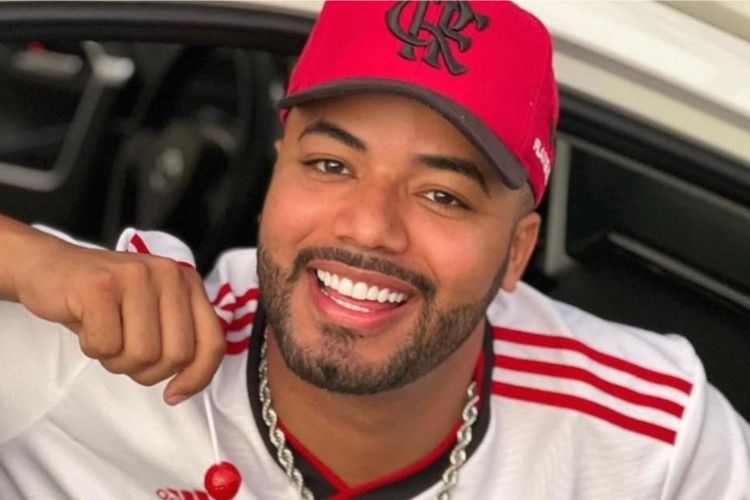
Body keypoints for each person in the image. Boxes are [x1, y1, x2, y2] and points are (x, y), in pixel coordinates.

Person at [1, 1, 748, 499]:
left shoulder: (651, 439)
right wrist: (30, 258)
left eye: (442, 195)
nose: (367, 228)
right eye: (331, 165)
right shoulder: (102, 348)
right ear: (276, 173)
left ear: (518, 251)